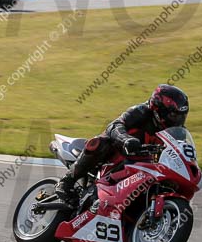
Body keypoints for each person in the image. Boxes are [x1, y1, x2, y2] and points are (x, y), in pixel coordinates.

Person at [55, 84, 190, 206]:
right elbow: (115, 126)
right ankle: (66, 182)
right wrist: (126, 140)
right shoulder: (141, 111)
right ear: (159, 109)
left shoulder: (178, 132)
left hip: (143, 165)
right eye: (173, 115)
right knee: (99, 143)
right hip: (118, 152)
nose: (178, 120)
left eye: (181, 116)